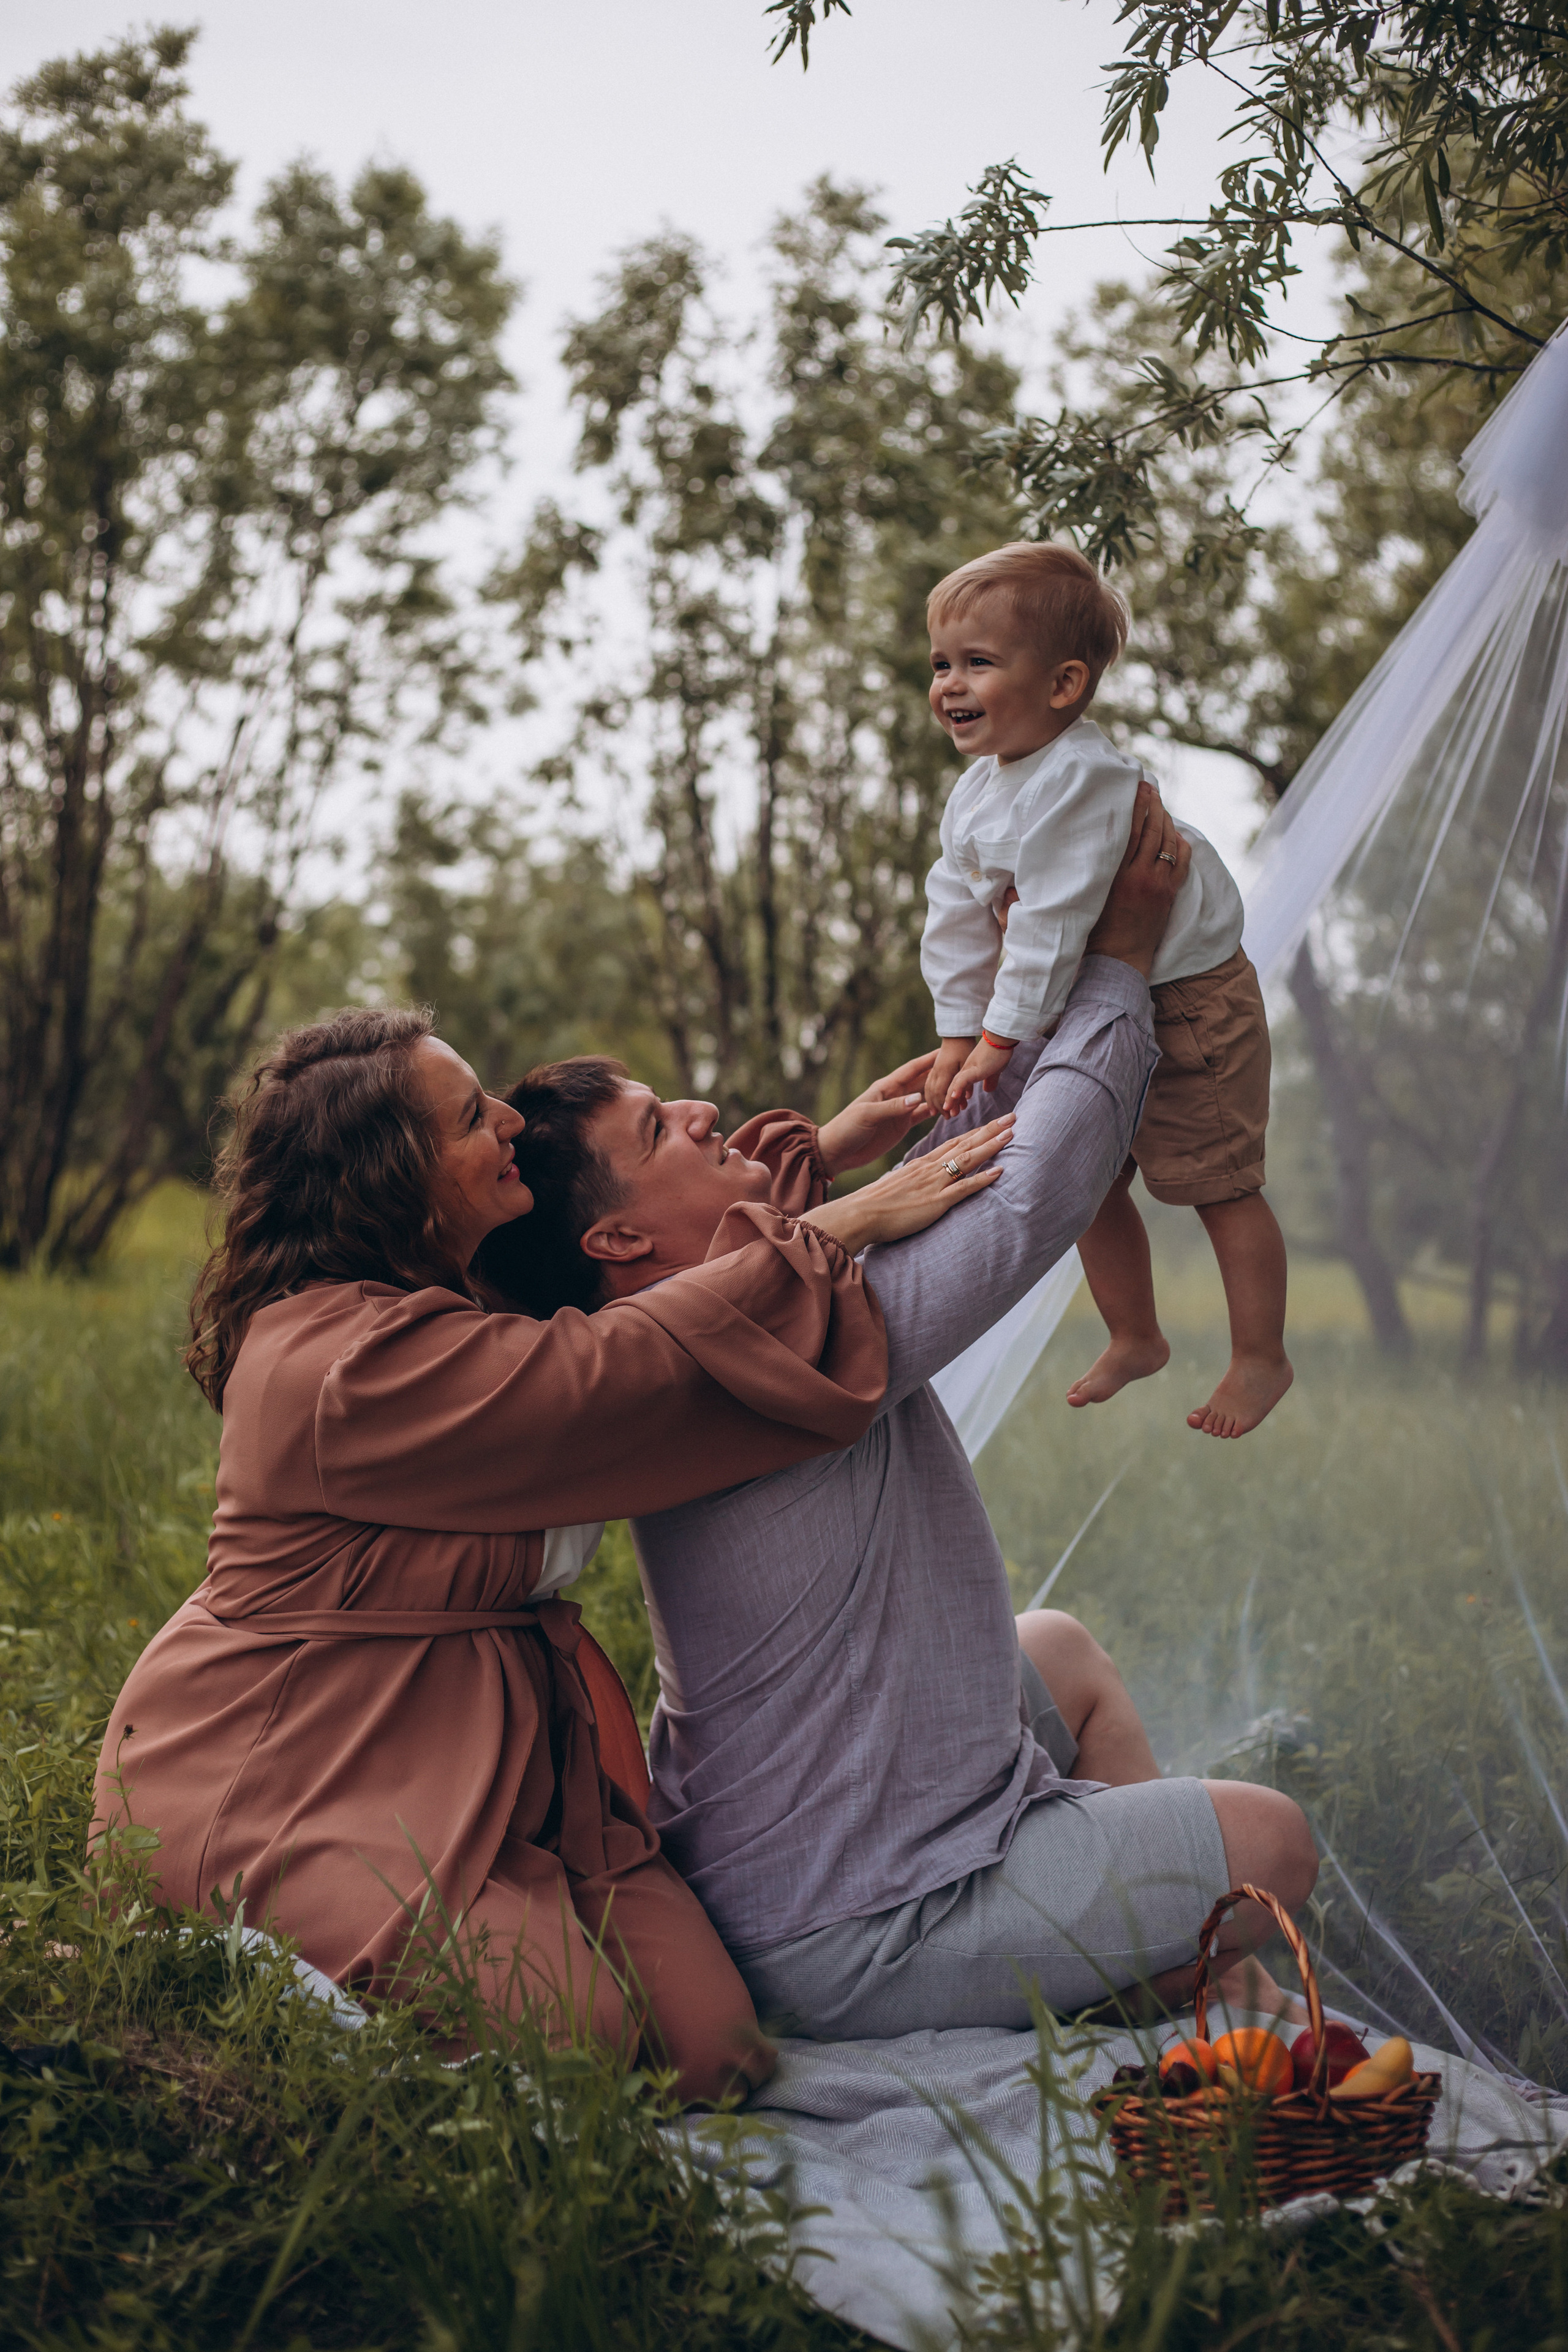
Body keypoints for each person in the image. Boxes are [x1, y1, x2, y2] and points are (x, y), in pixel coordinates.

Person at [488, 786, 1319, 2043]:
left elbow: (957, 1183)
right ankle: (1156, 1972)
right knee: (1271, 1843)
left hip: (794, 1857)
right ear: (614, 1239)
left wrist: (1001, 1034)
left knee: (1060, 1651)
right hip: (855, 1928)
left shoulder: (702, 1333)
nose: (703, 1114)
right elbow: (1037, 1194)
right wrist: (1118, 966)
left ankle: (1158, 1966)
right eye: (660, 1127)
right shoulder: (763, 1351)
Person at [89, 1008, 1006, 2103]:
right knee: (582, 2037)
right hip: (299, 1756)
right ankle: (226, 1963)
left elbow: (644, 1248)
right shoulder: (339, 1364)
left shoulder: (459, 1286)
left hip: (492, 1746)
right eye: (475, 1118)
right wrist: (842, 1223)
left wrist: (810, 1154)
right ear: (396, 1174)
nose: (512, 1122)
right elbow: (615, 1363)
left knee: (719, 2054)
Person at [920, 541, 1292, 1440]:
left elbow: (1047, 921)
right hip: (1091, 998)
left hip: (1187, 998)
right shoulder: (980, 793)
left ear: (1062, 684)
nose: (949, 685)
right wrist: (958, 1030)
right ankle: (1137, 1333)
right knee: (1085, 1178)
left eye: (978, 663)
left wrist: (1002, 1039)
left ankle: (1261, 1356)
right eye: (940, 664)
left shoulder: (1084, 778)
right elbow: (957, 910)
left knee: (1218, 1182)